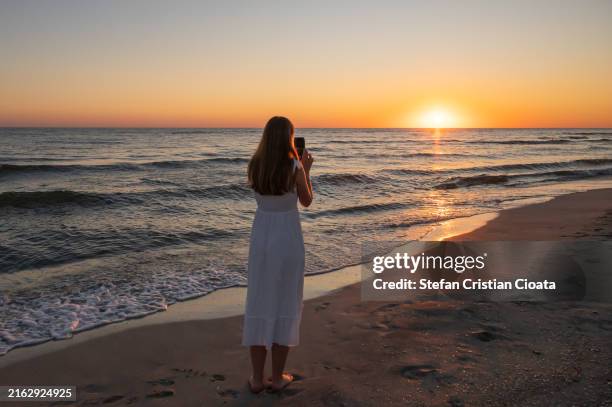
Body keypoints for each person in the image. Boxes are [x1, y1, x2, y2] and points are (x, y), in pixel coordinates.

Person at [242, 116, 314, 393]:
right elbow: (306, 201)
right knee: (285, 301)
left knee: (259, 301)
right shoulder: (294, 165)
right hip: (287, 239)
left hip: (261, 239)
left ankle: (257, 379)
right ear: (288, 137)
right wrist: (305, 169)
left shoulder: (255, 165)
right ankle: (277, 377)